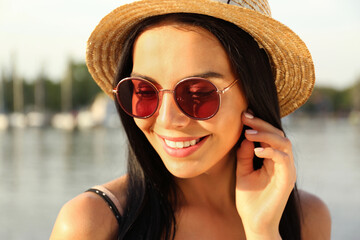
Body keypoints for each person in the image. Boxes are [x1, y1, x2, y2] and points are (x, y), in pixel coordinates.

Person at [50, 0, 331, 239]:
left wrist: (263, 230)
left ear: (251, 91)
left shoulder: (308, 219)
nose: (168, 118)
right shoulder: (90, 224)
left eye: (198, 93)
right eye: (145, 92)